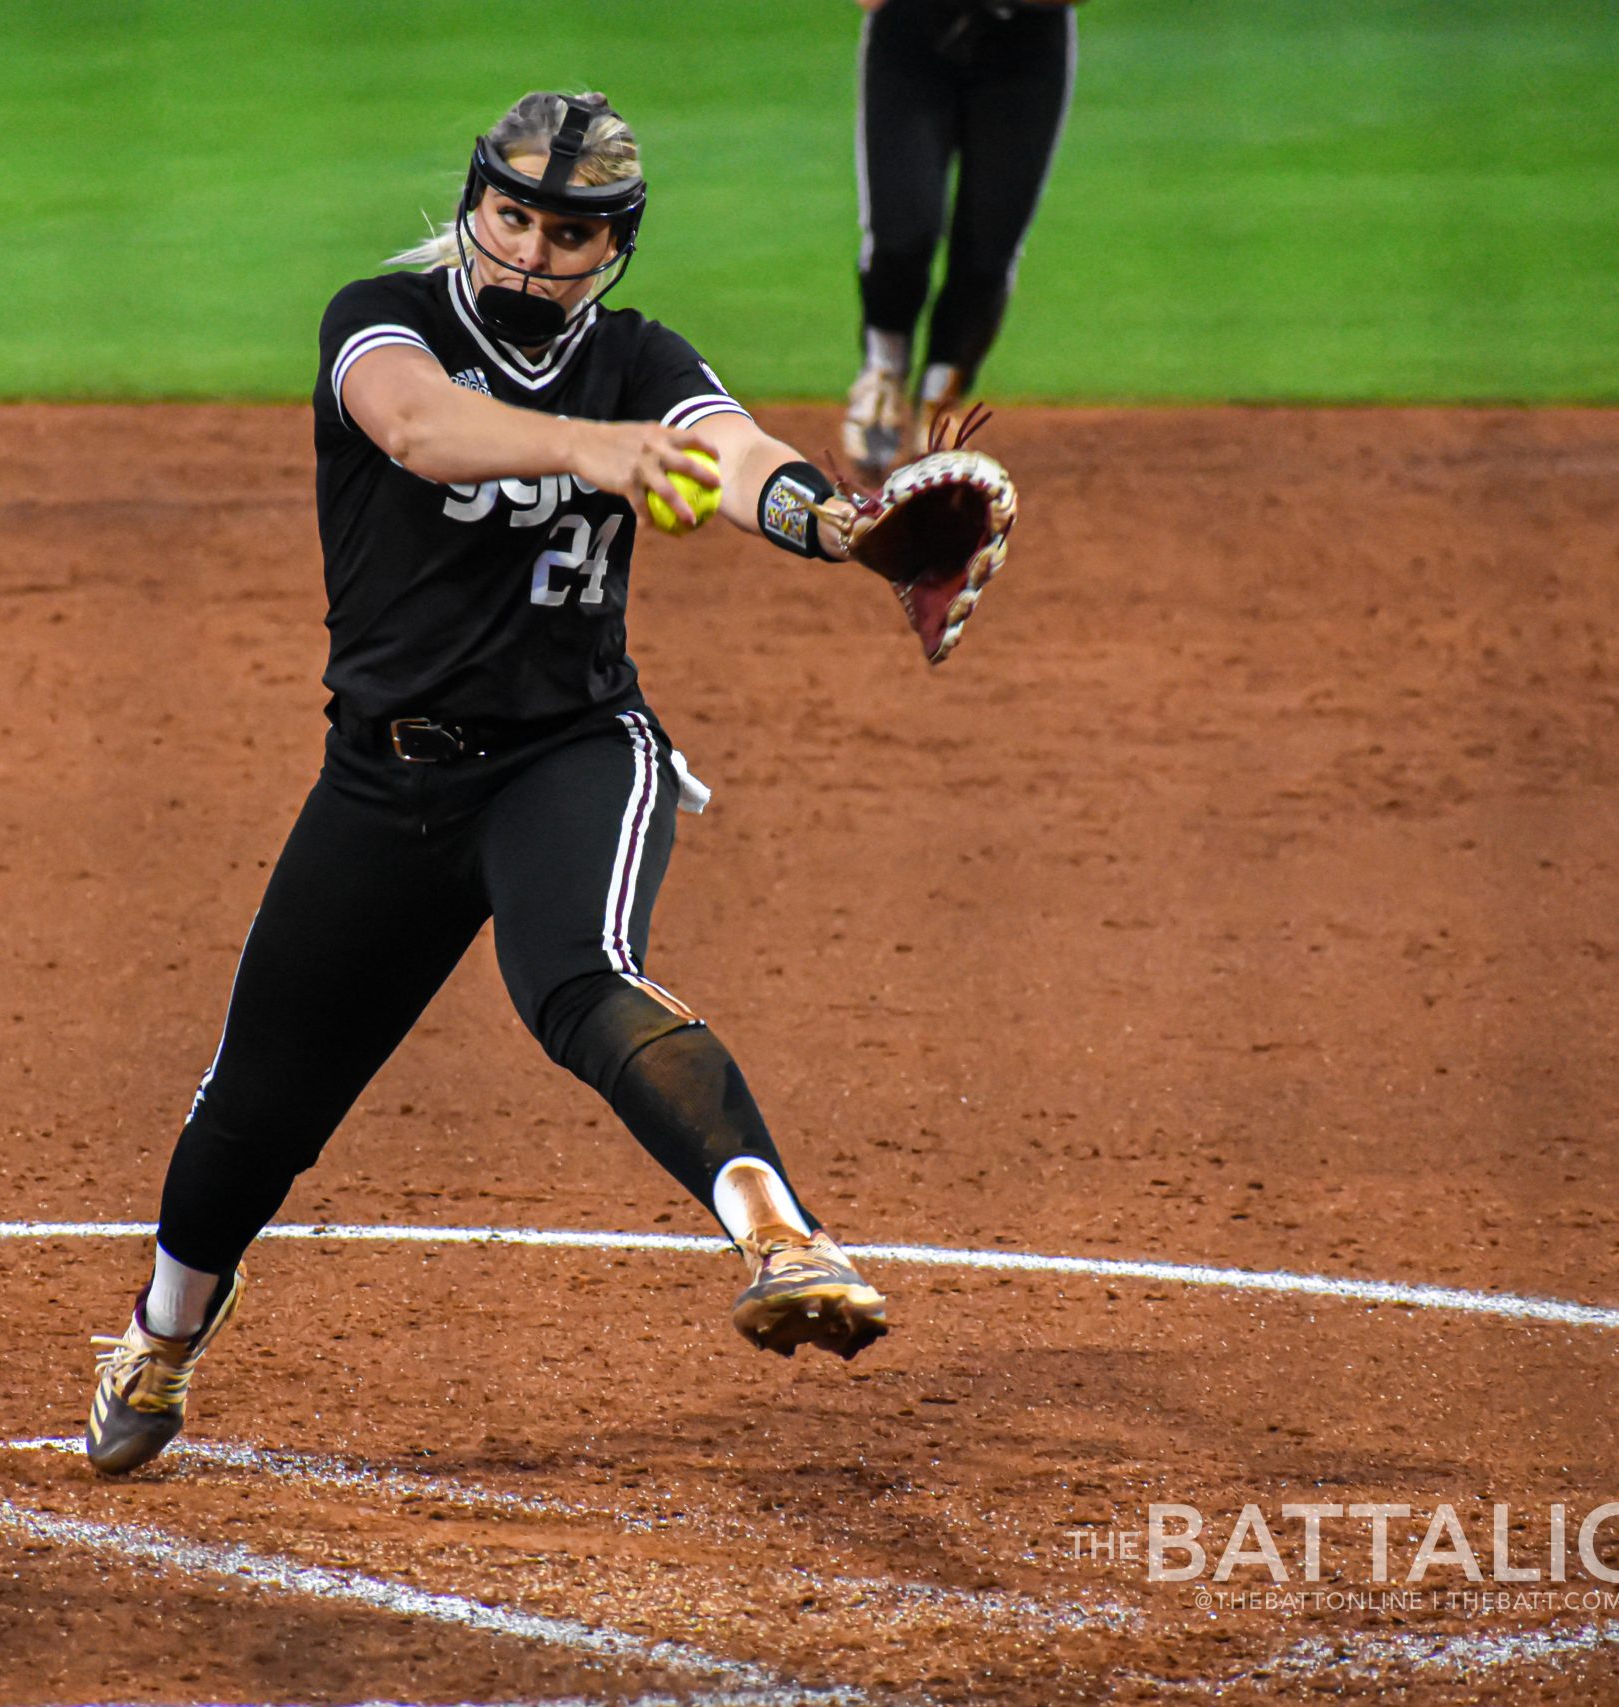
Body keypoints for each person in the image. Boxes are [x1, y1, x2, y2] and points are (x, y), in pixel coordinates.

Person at [87, 91, 891, 1477]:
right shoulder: (379, 322)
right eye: (512, 216)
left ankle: (780, 1233)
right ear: (473, 204)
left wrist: (830, 523)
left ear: (615, 248)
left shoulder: (641, 360)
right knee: (259, 1103)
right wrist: (599, 448)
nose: (530, 254)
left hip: (568, 751)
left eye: (569, 235)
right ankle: (160, 1337)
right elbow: (417, 429)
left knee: (578, 977)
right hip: (382, 781)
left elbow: (742, 452)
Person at [840, 0, 1077, 482]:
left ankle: (941, 397)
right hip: (912, 42)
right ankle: (884, 374)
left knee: (988, 251)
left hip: (1026, 52)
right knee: (904, 234)